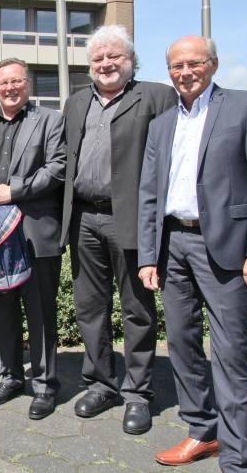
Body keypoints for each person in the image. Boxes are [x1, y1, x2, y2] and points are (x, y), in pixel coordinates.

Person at [137, 36, 247, 470]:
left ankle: (239, 458)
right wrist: (148, 256)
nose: (185, 72)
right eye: (176, 66)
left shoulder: (246, 105)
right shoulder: (161, 124)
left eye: (194, 63)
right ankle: (202, 430)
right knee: (182, 345)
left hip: (226, 248)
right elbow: (149, 194)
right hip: (172, 245)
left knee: (229, 352)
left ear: (213, 64)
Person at [59, 25, 176, 435]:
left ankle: (139, 393)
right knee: (90, 307)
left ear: (130, 60)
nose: (106, 64)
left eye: (115, 57)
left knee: (137, 309)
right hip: (83, 220)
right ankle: (100, 383)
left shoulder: (158, 97)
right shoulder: (75, 103)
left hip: (131, 219)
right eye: (98, 59)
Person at [0, 58, 66, 420]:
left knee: (40, 312)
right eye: (4, 82)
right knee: (3, 310)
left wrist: (14, 190)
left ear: (28, 84)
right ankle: (10, 376)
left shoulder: (50, 120)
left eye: (17, 81)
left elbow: (58, 167)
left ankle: (45, 385)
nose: (10, 88)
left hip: (35, 233)